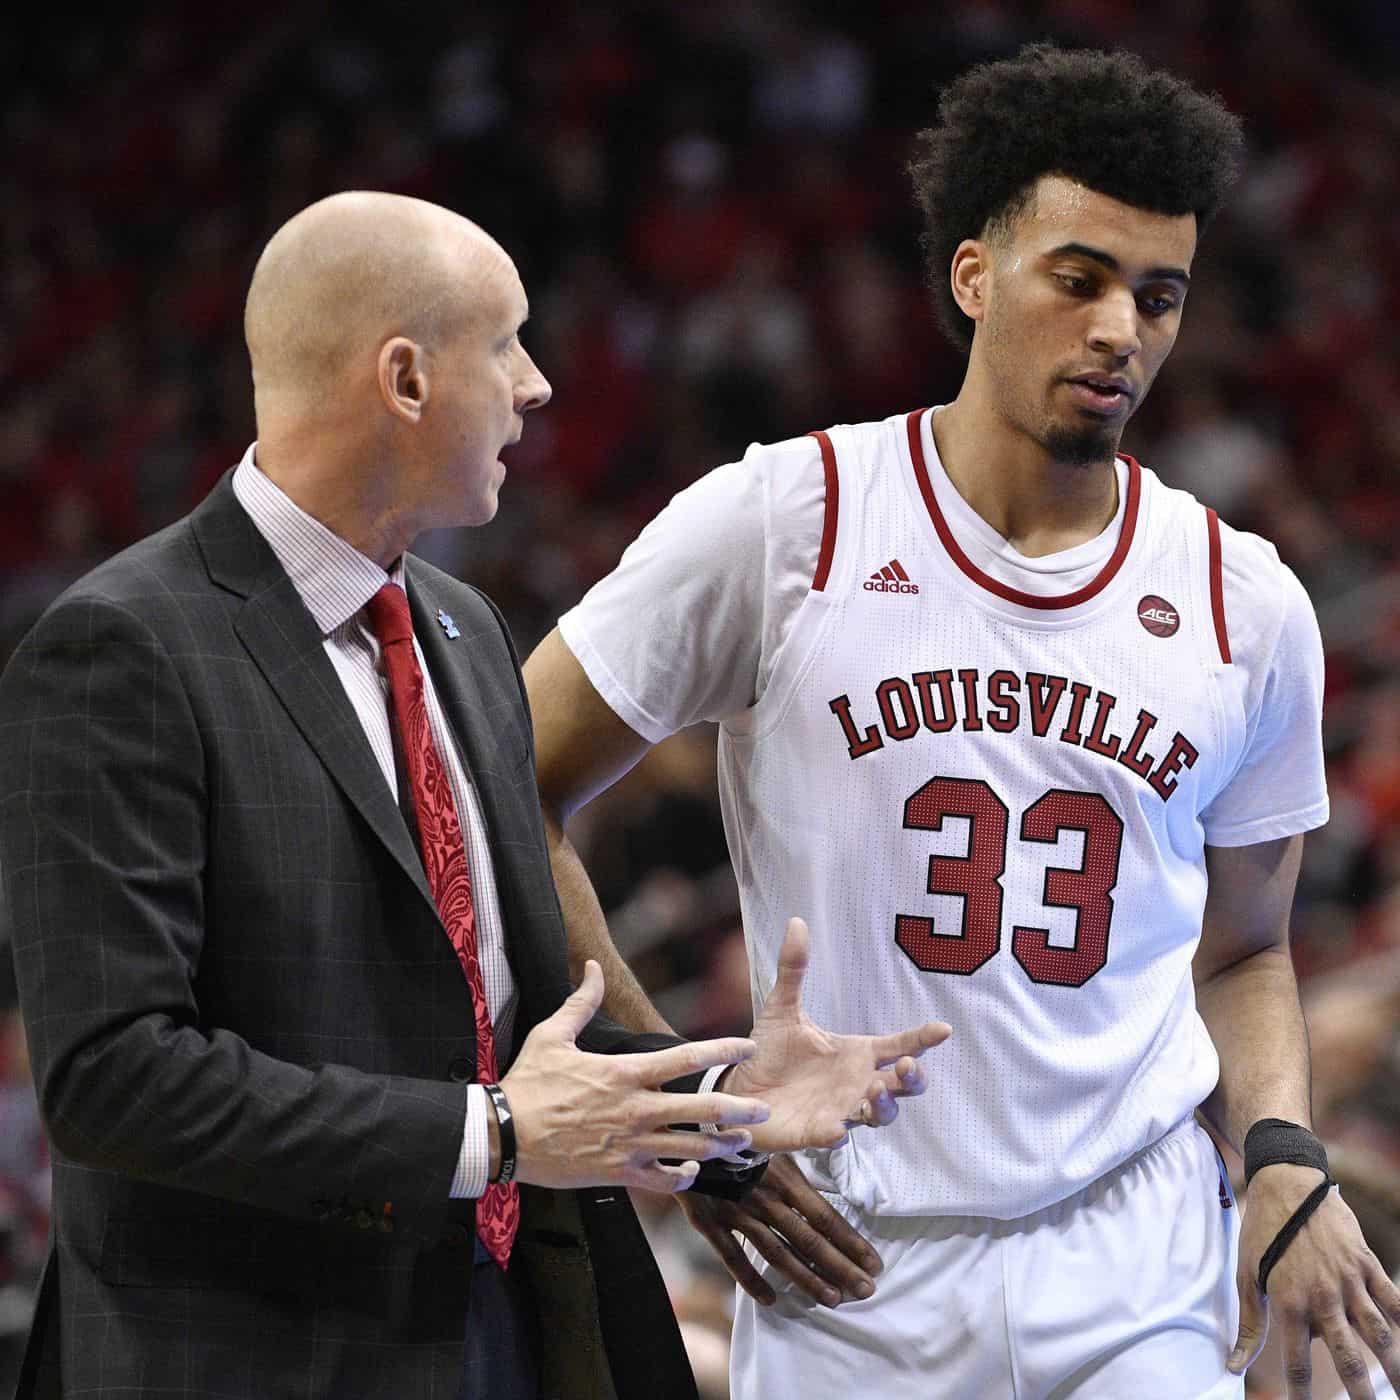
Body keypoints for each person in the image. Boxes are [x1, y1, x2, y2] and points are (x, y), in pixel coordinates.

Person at [523, 43, 1400, 1399]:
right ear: (974, 275)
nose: (1122, 329)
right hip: (843, 1252)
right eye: (1081, 279)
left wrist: (1282, 1148)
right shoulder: (782, 520)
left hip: (1137, 1248)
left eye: (1158, 296)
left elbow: (1248, 949)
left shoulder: (1249, 602)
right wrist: (686, 1125)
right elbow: (508, 785)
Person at [0, 191, 949, 1400]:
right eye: (505, 342)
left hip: (495, 1332)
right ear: (403, 378)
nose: (538, 383)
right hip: (244, 1354)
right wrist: (488, 1136)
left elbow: (508, 1010)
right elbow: (110, 1075)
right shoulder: (122, 646)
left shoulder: (461, 630)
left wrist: (710, 1096)